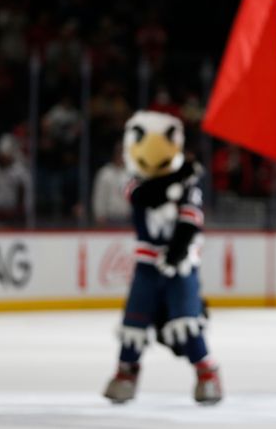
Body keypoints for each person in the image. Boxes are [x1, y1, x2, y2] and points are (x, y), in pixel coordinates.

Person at [102, 110, 222, 405]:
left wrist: (176, 252)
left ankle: (207, 374)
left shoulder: (189, 189)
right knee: (135, 321)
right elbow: (146, 197)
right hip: (146, 266)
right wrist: (178, 178)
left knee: (186, 322)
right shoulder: (135, 182)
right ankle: (125, 372)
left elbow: (189, 222)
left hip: (180, 267)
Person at [0, 134, 32, 227]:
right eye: (1, 154)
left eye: (6, 154)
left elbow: (26, 193)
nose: (3, 157)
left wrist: (22, 210)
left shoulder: (20, 171)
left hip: (12, 211)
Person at [91, 141, 131, 226]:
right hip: (109, 218)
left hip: (128, 218)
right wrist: (100, 214)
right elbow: (99, 195)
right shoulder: (105, 173)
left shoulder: (130, 173)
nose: (121, 156)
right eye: (119, 153)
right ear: (115, 154)